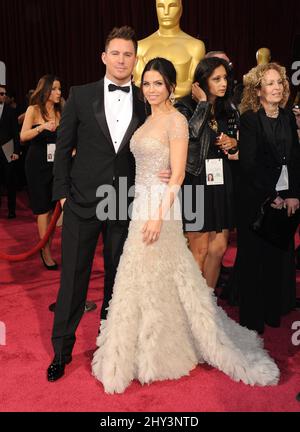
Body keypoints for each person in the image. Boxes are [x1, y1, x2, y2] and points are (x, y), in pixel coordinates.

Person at [91, 57, 279, 394]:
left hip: (161, 209)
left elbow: (177, 174)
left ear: (170, 86)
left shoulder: (176, 120)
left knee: (162, 271)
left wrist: (159, 214)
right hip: (141, 205)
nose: (151, 90)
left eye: (158, 84)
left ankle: (163, 346)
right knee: (142, 277)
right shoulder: (146, 121)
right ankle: (136, 345)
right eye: (146, 83)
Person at [46, 27, 170, 382]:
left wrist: (163, 172)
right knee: (72, 279)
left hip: (123, 202)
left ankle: (110, 346)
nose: (121, 60)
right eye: (115, 53)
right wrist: (63, 195)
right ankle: (61, 351)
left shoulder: (147, 101)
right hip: (83, 200)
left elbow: (156, 144)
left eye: (128, 54)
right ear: (104, 57)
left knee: (118, 279)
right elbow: (62, 148)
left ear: (135, 59)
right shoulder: (80, 95)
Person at [233, 62, 300, 334]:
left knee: (277, 258)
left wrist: (293, 194)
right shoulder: (250, 119)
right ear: (258, 90)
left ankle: (275, 311)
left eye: (279, 82)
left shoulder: (286, 118)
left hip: (286, 199)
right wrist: (271, 195)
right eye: (270, 83)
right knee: (254, 259)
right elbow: (248, 164)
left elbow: (295, 158)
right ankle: (252, 318)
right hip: (255, 200)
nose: (276, 87)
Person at [175, 57, 239, 289]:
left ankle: (207, 306)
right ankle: (192, 309)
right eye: (216, 79)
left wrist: (233, 143)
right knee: (199, 249)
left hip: (220, 181)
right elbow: (188, 136)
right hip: (195, 182)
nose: (223, 83)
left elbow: (235, 141)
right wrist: (202, 103)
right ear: (202, 81)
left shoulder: (226, 109)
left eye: (225, 78)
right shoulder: (184, 106)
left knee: (219, 248)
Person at [20, 75, 62, 270]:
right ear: (45, 90)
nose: (58, 92)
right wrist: (42, 127)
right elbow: (23, 136)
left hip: (56, 166)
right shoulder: (33, 110)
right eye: (54, 89)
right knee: (42, 210)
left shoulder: (60, 111)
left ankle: (46, 244)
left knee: (57, 210)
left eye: (60, 89)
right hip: (36, 165)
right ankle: (45, 250)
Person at [133, 0, 205, 98]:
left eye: (172, 6)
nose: (166, 12)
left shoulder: (195, 46)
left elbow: (194, 86)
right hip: (147, 111)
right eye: (161, 6)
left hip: (183, 110)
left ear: (180, 8)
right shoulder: (141, 46)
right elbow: (138, 84)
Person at [0, 85, 20, 218]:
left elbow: (15, 134)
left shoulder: (10, 111)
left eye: (4, 94)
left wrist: (17, 151)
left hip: (8, 149)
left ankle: (12, 210)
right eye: (1, 93)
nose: (3, 96)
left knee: (10, 182)